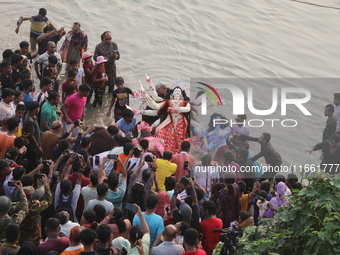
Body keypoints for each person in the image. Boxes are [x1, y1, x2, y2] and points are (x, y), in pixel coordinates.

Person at [55, 156, 83, 222]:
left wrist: (68, 163)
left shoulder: (58, 193)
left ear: (61, 187)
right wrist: (81, 164)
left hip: (57, 220)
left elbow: (62, 177)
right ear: (71, 188)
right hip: (71, 221)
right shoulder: (74, 196)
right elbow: (79, 180)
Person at [23, 101, 42, 172]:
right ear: (34, 110)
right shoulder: (30, 121)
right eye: (38, 108)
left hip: (36, 145)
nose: (39, 109)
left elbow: (34, 129)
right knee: (33, 166)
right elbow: (31, 136)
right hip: (32, 148)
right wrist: (38, 148)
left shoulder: (33, 116)